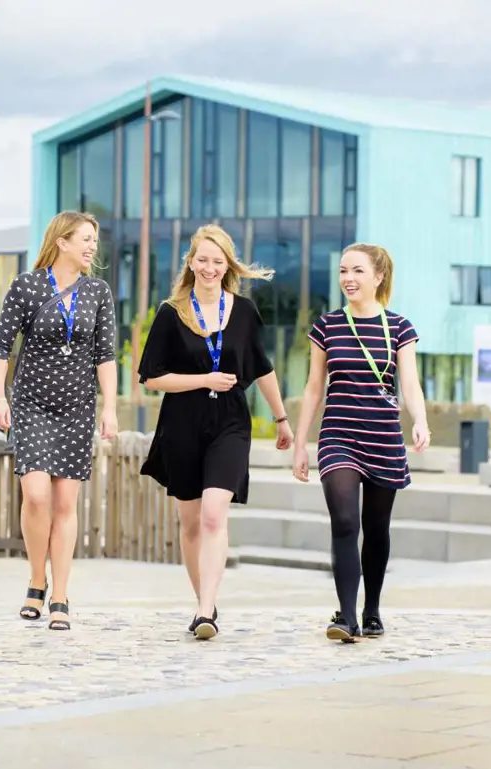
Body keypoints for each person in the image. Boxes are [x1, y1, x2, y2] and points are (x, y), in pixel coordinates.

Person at [138, 224, 293, 640]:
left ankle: (206, 611)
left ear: (229, 266)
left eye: (217, 261)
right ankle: (202, 600)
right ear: (191, 262)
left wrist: (281, 419)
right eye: (202, 260)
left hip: (230, 422)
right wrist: (203, 379)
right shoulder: (172, 312)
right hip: (183, 423)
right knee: (190, 524)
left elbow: (262, 368)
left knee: (212, 514)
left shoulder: (242, 312)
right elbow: (151, 377)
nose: (209, 268)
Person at [291, 243, 430, 643]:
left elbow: (409, 383)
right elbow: (314, 387)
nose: (348, 279)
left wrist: (419, 420)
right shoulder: (327, 326)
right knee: (346, 521)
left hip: (383, 437)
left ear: (378, 276)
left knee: (376, 527)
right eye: (342, 271)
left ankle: (371, 609)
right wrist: (302, 443)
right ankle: (346, 616)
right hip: (338, 436)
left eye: (357, 271)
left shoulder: (400, 328)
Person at [0, 211, 118, 631]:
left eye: (94, 240)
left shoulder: (98, 291)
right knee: (37, 495)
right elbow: (1, 347)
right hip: (31, 405)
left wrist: (110, 408)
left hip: (77, 408)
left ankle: (59, 595)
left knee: (65, 504)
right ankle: (36, 578)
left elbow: (106, 356)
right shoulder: (26, 286)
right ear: (61, 241)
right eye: (84, 238)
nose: (91, 247)